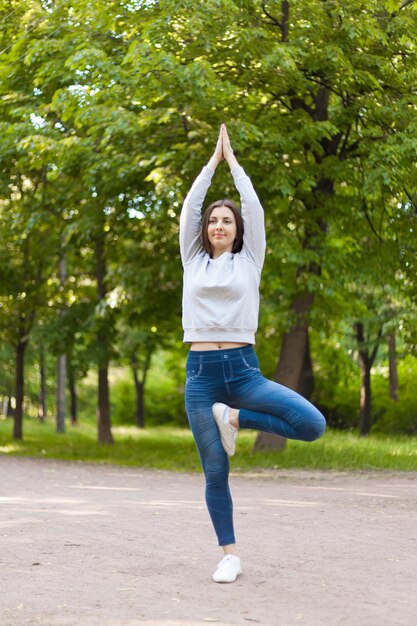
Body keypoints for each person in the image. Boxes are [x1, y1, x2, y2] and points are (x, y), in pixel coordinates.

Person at [179, 123, 326, 584]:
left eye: (227, 220)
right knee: (215, 470)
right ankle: (229, 554)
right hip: (201, 376)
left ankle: (235, 418)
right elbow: (189, 208)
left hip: (243, 371)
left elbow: (255, 208)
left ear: (238, 231)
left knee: (311, 425)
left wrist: (234, 164)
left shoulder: (250, 260)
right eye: (213, 221)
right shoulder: (192, 259)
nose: (218, 224)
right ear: (205, 231)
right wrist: (211, 164)